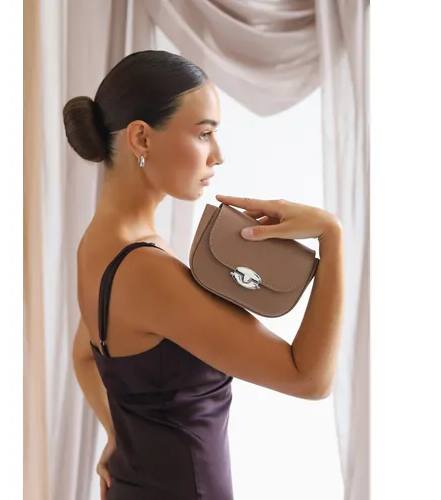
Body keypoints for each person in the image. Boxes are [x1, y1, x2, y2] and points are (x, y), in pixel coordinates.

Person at [64, 50, 344, 500]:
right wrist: (331, 236)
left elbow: (84, 354)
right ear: (141, 138)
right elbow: (309, 379)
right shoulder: (147, 270)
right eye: (204, 133)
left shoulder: (99, 245)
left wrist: (120, 434)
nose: (218, 155)